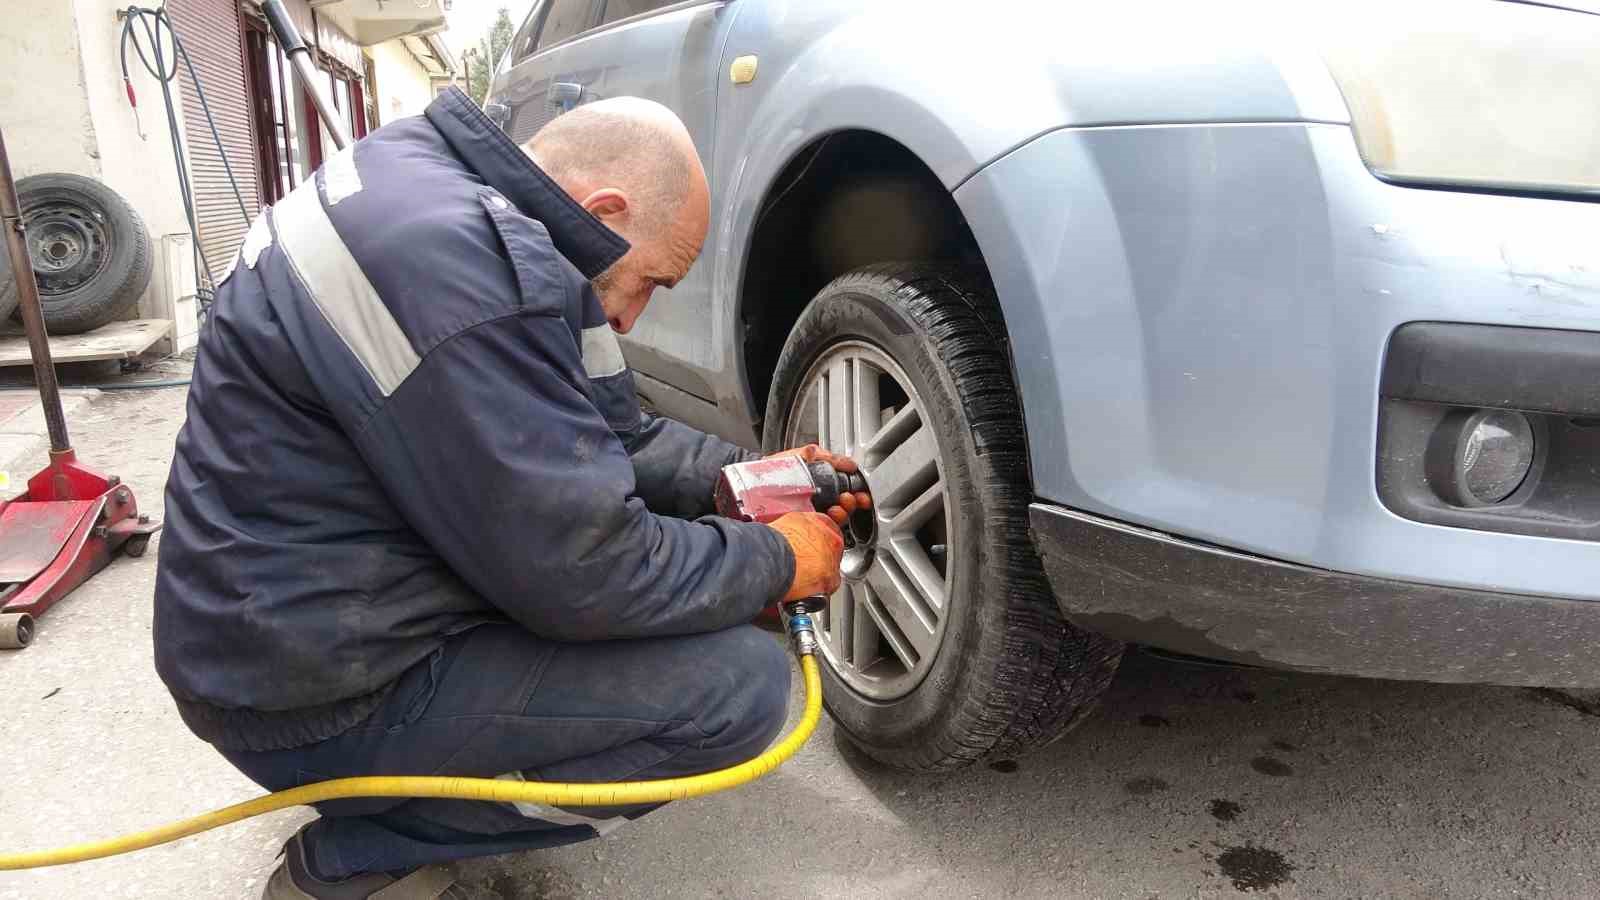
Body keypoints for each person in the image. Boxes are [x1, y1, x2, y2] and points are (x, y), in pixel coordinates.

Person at [153, 87, 863, 899]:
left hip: (277, 632)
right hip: (312, 696)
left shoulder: (440, 188)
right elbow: (591, 575)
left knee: (683, 609)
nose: (633, 317)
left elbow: (613, 437)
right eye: (651, 282)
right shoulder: (470, 275)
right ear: (605, 208)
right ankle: (361, 854)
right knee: (739, 694)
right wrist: (775, 560)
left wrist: (745, 476)